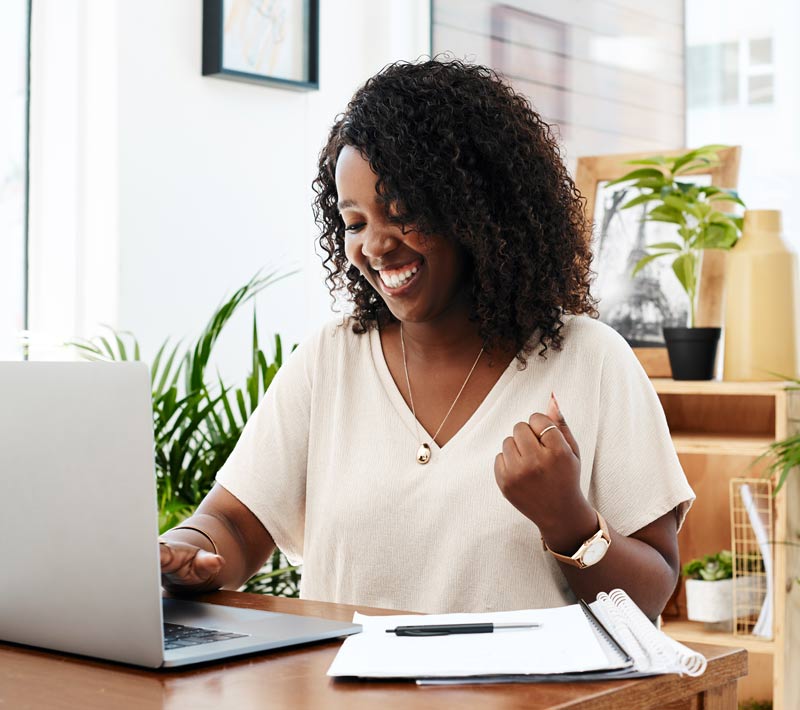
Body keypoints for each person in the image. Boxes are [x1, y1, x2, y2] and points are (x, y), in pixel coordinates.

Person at [159, 59, 694, 619]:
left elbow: (653, 589)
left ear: (479, 211)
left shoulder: (592, 361)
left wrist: (568, 519)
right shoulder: (330, 359)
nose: (376, 245)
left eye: (404, 213)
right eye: (355, 222)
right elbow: (234, 526)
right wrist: (186, 553)